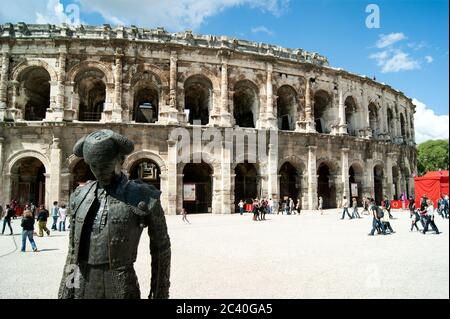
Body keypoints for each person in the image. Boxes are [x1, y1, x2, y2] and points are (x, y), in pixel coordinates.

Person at [58, 129, 171, 299]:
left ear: (120, 159)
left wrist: (160, 293)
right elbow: (73, 254)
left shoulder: (143, 195)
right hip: (84, 283)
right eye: (93, 165)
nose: (99, 171)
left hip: (121, 282)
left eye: (105, 164)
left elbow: (161, 248)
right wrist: (67, 291)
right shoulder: (79, 196)